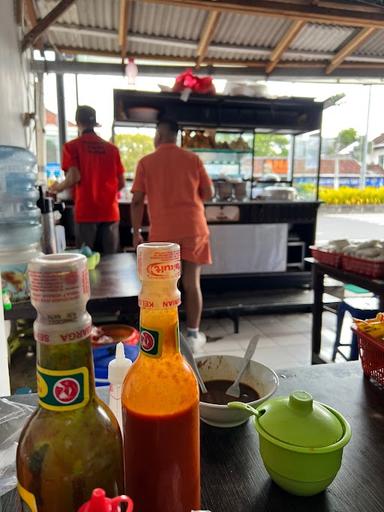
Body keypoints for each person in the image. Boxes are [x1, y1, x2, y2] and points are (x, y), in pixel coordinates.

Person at [131, 119, 213, 352]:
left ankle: (166, 336)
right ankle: (194, 335)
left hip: (163, 236)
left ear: (159, 135)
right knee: (191, 283)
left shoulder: (146, 162)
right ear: (176, 136)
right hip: (194, 228)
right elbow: (209, 192)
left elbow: (137, 201)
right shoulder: (193, 159)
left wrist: (136, 233)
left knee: (163, 287)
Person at [50, 105, 126, 254]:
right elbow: (122, 183)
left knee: (86, 261)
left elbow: (74, 176)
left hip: (86, 211)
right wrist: (106, 193)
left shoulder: (72, 147)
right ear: (94, 123)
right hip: (109, 211)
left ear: (78, 122)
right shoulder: (112, 149)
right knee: (110, 261)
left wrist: (57, 187)